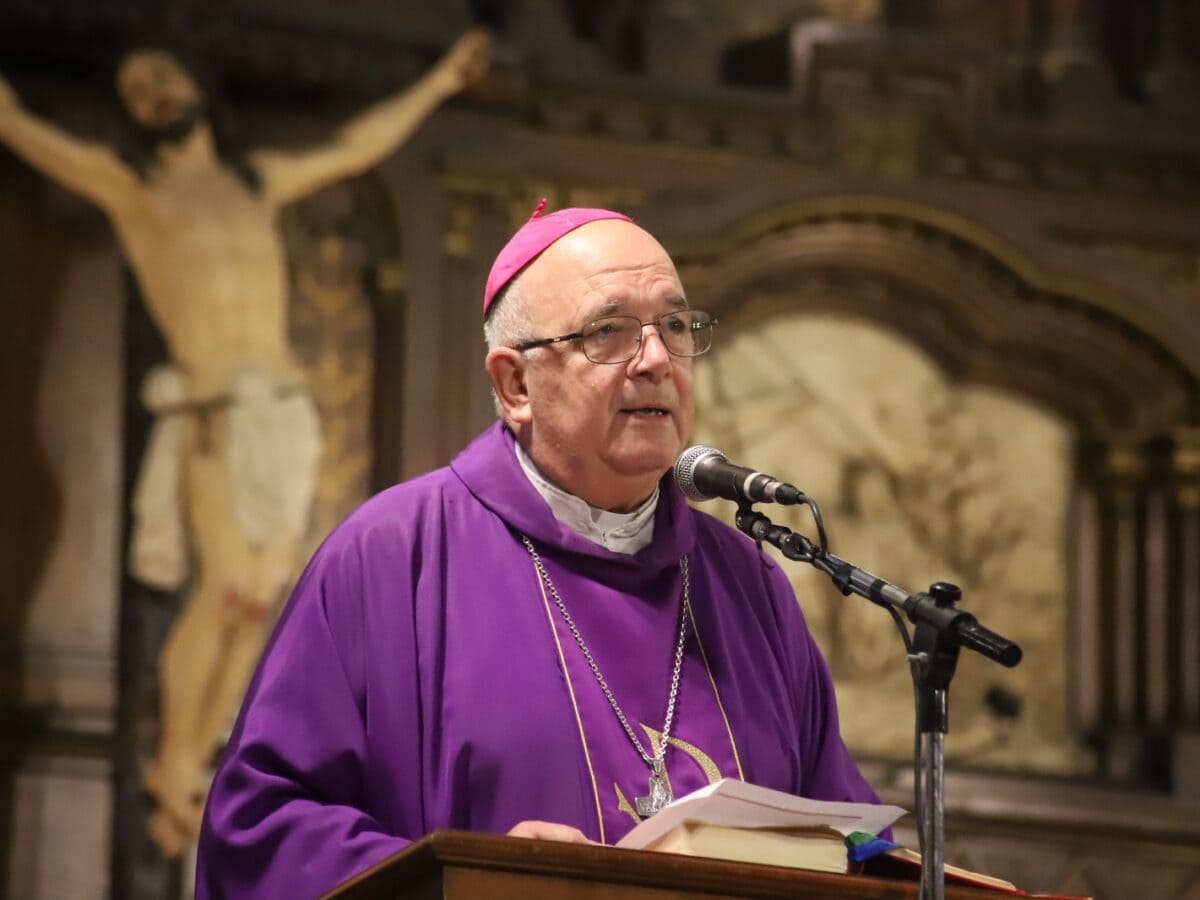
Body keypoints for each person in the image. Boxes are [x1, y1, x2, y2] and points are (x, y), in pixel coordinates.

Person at [195, 204, 882, 898]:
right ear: (514, 385)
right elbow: (261, 833)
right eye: (609, 332)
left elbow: (843, 843)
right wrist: (473, 882)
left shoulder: (748, 586)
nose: (655, 360)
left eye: (674, 327)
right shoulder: (391, 560)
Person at [0, 30, 491, 856]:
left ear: (193, 83)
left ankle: (204, 764)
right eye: (136, 90)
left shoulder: (252, 182)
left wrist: (441, 79)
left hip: (285, 409)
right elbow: (16, 125)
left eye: (160, 74)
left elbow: (352, 148)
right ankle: (174, 765)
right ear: (132, 117)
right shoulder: (133, 188)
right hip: (217, 405)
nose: (153, 93)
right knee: (226, 585)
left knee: (262, 596)